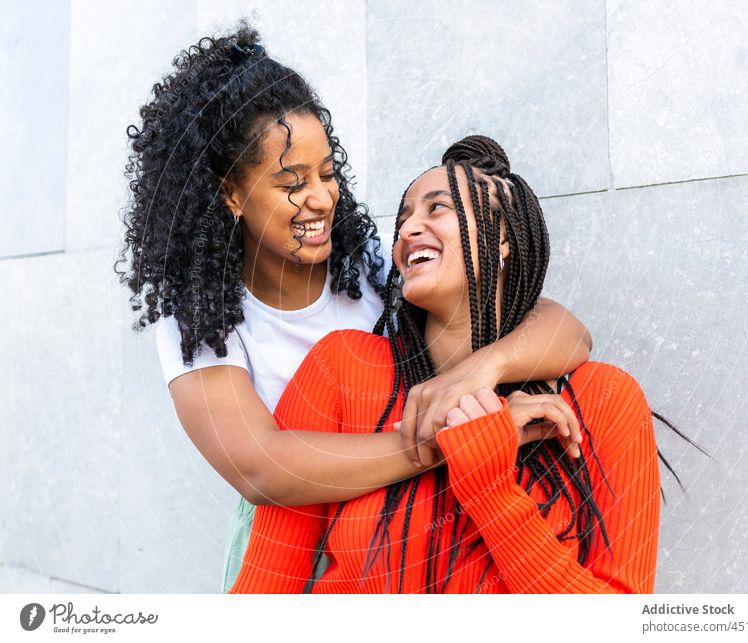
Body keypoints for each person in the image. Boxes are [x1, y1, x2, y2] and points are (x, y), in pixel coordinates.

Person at [116, 22, 591, 593]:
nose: (320, 197)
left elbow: (567, 332)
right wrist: (448, 440)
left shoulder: (364, 263)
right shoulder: (198, 319)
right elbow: (265, 468)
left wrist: (476, 374)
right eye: (292, 182)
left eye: (327, 172)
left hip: (400, 524)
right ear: (231, 194)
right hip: (292, 534)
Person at [230, 136, 661, 594]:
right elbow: (263, 592)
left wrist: (490, 486)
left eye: (437, 209)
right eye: (403, 218)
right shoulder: (340, 369)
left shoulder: (605, 397)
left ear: (502, 239)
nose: (409, 228)